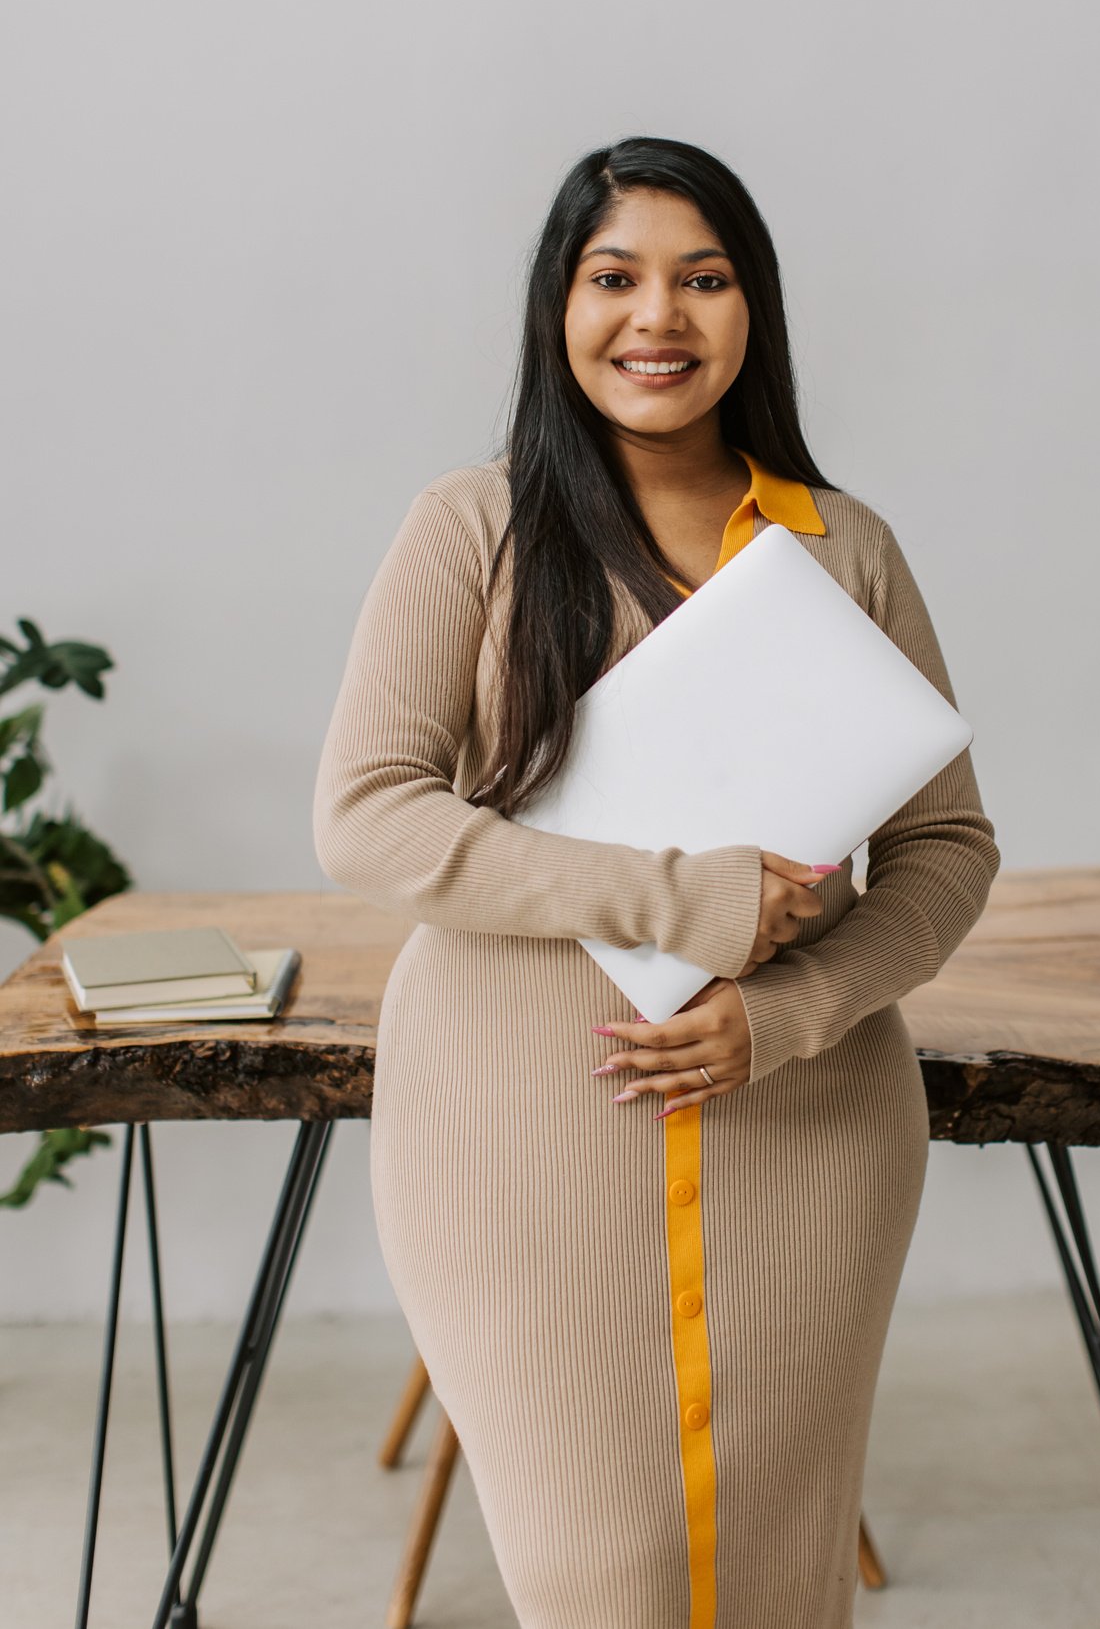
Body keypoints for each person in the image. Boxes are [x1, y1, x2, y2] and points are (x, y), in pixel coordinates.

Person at [312, 135, 1000, 1629]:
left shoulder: (844, 546)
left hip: (810, 1138)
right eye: (613, 278)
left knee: (780, 1580)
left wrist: (794, 1007)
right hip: (520, 1132)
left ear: (752, 310)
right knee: (601, 1582)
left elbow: (948, 848)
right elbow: (366, 818)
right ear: (558, 308)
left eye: (704, 279)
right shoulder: (474, 526)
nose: (658, 320)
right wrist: (678, 898)